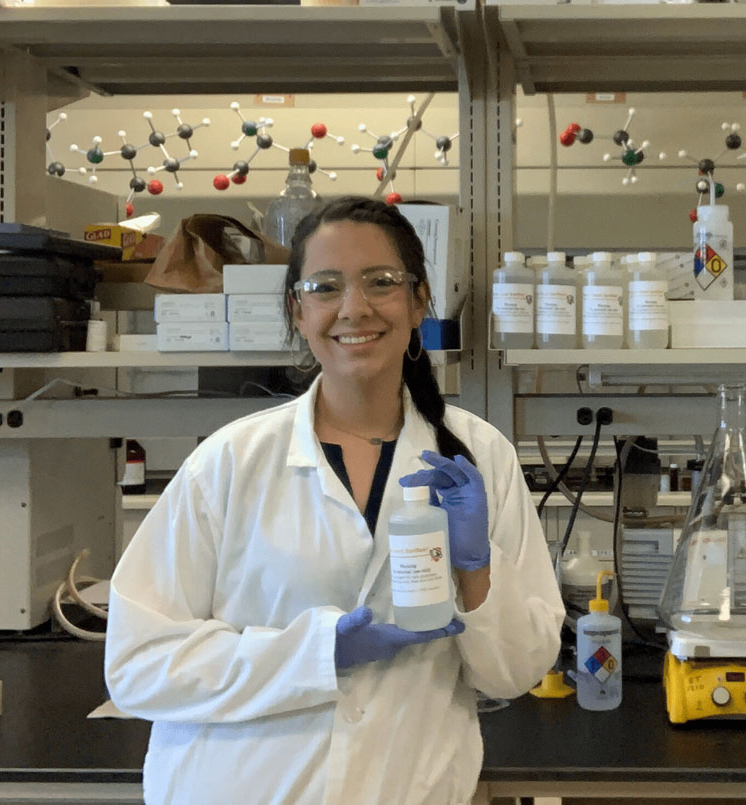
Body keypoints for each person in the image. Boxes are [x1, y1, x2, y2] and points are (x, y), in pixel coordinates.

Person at [105, 196, 564, 804]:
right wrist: (318, 653)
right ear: (298, 310)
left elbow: (518, 670)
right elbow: (139, 665)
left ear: (418, 301)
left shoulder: (479, 457)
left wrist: (476, 569)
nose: (355, 308)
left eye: (381, 282)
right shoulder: (230, 462)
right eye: (325, 287)